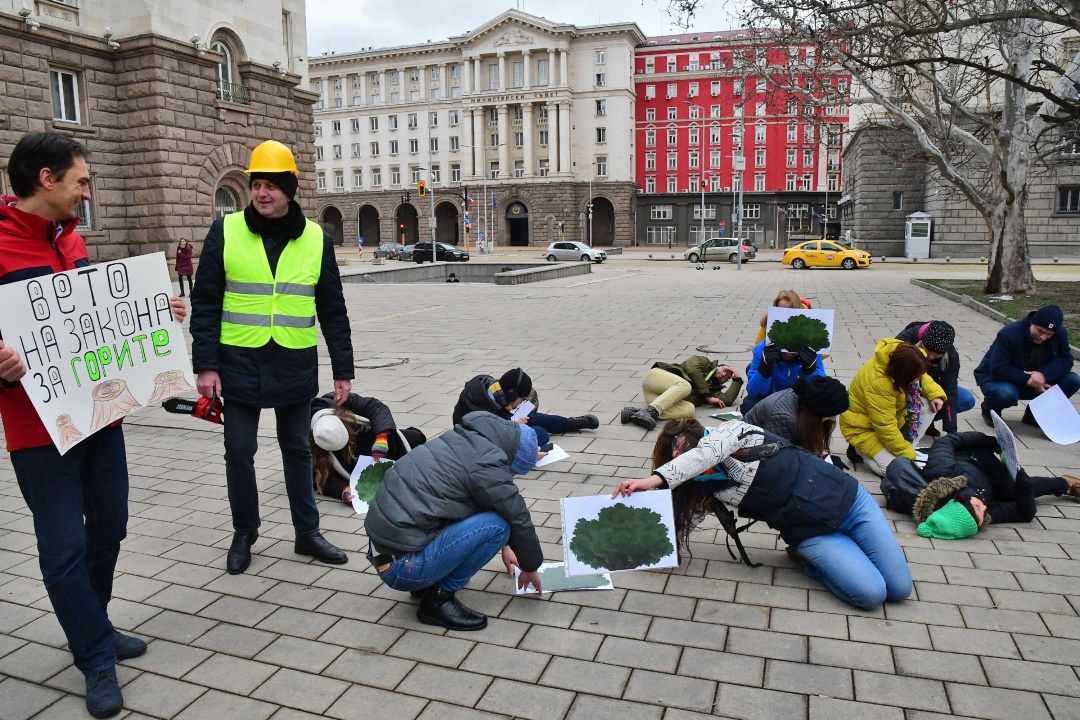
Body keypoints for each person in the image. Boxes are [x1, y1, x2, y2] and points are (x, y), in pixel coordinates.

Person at [0, 132, 187, 718]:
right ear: (47, 179)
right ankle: (95, 656)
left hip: (99, 418)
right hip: (37, 432)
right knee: (63, 547)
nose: (87, 190)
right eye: (81, 180)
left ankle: (93, 621)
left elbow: (92, 321)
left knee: (111, 524)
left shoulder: (72, 239)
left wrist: (158, 311)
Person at [190, 140, 354, 575]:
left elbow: (332, 309)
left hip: (293, 362)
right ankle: (245, 532)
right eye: (256, 185)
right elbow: (205, 302)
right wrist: (205, 365)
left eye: (270, 186)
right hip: (237, 362)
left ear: (289, 190)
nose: (261, 193)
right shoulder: (225, 231)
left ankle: (308, 533)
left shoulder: (317, 238)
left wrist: (343, 370)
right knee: (238, 451)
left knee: (298, 449)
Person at [613, 418, 912, 610]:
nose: (687, 462)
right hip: (809, 532)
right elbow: (679, 520)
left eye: (686, 452)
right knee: (872, 595)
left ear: (701, 438)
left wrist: (654, 479)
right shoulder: (701, 486)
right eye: (676, 458)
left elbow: (705, 455)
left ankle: (848, 549)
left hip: (851, 503)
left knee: (900, 589)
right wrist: (630, 548)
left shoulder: (734, 432)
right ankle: (809, 560)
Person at [365, 411, 545, 630]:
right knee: (498, 527)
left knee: (485, 516)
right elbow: (517, 516)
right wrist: (530, 565)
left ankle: (426, 582)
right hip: (401, 569)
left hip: (387, 552)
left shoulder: (465, 440)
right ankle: (439, 600)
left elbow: (475, 501)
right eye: (515, 472)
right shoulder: (487, 466)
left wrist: (509, 546)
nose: (512, 477)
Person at [912, 431, 1080, 538]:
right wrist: (1024, 491)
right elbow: (1024, 515)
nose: (985, 509)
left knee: (1008, 489)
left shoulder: (943, 471)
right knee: (1017, 491)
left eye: (978, 508)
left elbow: (946, 442)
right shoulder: (980, 514)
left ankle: (1063, 483)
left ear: (960, 500)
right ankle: (1065, 483)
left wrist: (985, 440)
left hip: (973, 454)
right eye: (981, 518)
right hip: (986, 483)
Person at [840, 339, 946, 477]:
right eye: (915, 377)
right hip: (862, 429)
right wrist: (910, 457)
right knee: (894, 471)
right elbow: (886, 428)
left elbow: (922, 376)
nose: (919, 378)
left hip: (884, 421)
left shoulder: (908, 356)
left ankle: (908, 446)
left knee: (929, 405)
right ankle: (859, 448)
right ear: (903, 374)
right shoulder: (880, 384)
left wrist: (935, 394)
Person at [309, 391, 427, 503]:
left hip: (367, 439)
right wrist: (343, 490)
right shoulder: (309, 443)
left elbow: (375, 407)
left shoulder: (337, 399)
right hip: (342, 464)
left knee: (417, 439)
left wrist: (382, 436)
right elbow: (320, 480)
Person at [974, 305, 1080, 428]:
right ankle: (989, 409)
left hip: (1041, 380)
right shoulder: (1009, 333)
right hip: (1001, 379)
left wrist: (1044, 375)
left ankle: (1034, 414)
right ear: (1032, 323)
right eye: (1040, 331)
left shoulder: (1059, 334)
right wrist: (1033, 380)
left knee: (1073, 380)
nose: (1043, 337)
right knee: (1005, 394)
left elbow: (1066, 360)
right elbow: (998, 369)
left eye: (1049, 334)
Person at [452, 368, 598, 447]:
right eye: (522, 399)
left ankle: (572, 423)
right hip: (480, 436)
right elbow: (492, 433)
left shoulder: (490, 387)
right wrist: (513, 426)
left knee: (535, 418)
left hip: (500, 420)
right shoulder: (482, 411)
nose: (523, 402)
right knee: (540, 434)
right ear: (511, 395)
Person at [620, 355, 743, 430]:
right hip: (654, 379)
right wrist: (707, 396)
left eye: (727, 377)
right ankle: (651, 411)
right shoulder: (703, 362)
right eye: (724, 370)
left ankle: (638, 413)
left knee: (689, 410)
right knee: (686, 386)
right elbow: (693, 369)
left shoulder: (713, 391)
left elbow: (727, 399)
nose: (724, 375)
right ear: (717, 366)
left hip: (656, 398)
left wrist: (737, 379)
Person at [895, 320, 973, 437]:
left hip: (931, 386)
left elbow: (950, 390)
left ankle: (926, 423)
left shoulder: (952, 356)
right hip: (902, 384)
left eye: (937, 355)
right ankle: (903, 423)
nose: (930, 357)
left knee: (965, 398)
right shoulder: (904, 341)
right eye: (928, 351)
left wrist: (952, 434)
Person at [744, 375, 849, 457]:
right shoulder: (783, 417)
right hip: (749, 454)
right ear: (817, 412)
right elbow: (780, 458)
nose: (833, 419)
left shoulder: (805, 402)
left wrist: (820, 452)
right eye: (831, 415)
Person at [741, 339, 825, 413]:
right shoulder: (761, 349)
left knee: (822, 407)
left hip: (799, 400)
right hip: (769, 399)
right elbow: (753, 392)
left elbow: (822, 390)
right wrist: (764, 368)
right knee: (749, 406)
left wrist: (810, 371)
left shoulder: (812, 351)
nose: (788, 355)